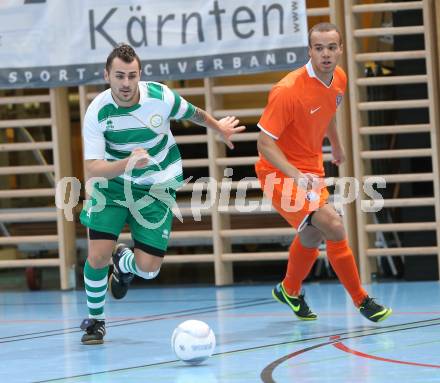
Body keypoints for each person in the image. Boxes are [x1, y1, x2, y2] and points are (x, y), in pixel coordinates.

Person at [79, 43, 245, 344]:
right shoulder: (98, 111)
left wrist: (218, 126)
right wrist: (127, 163)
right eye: (119, 76)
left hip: (157, 185)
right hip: (114, 183)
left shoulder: (159, 96)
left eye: (132, 76)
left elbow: (192, 112)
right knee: (97, 255)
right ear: (107, 75)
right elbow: (92, 168)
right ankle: (96, 321)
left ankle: (124, 262)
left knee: (148, 269)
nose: (126, 83)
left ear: (140, 74)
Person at [255, 22, 392, 322]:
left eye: (331, 47)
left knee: (313, 232)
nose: (326, 54)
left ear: (341, 49)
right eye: (319, 48)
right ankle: (362, 300)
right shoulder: (287, 91)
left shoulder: (338, 78)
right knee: (334, 225)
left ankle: (289, 290)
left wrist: (337, 146)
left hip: (310, 169)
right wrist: (294, 175)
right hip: (278, 172)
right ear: (309, 51)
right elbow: (264, 143)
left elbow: (328, 109)